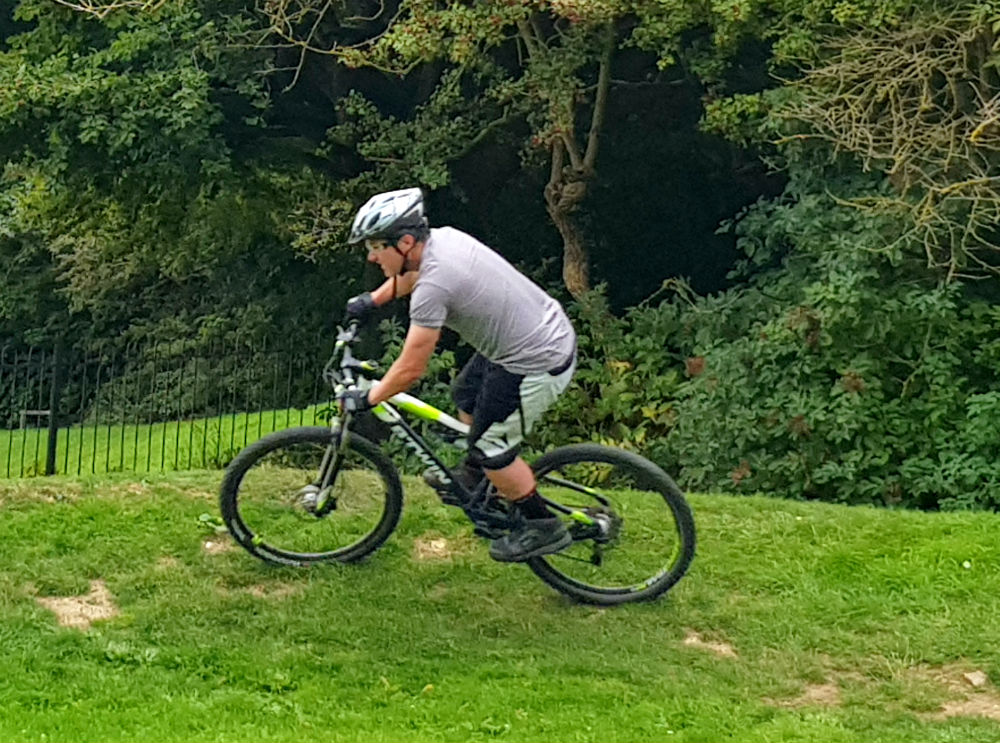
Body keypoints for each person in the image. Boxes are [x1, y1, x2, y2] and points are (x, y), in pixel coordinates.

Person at [339, 187, 577, 562]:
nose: (371, 256)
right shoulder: (441, 240)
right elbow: (412, 275)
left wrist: (369, 398)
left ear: (405, 242)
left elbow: (411, 368)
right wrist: (372, 300)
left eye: (376, 246)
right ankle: (478, 476)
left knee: (491, 449)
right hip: (528, 337)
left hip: (537, 359)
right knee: (465, 395)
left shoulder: (434, 287)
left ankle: (542, 525)